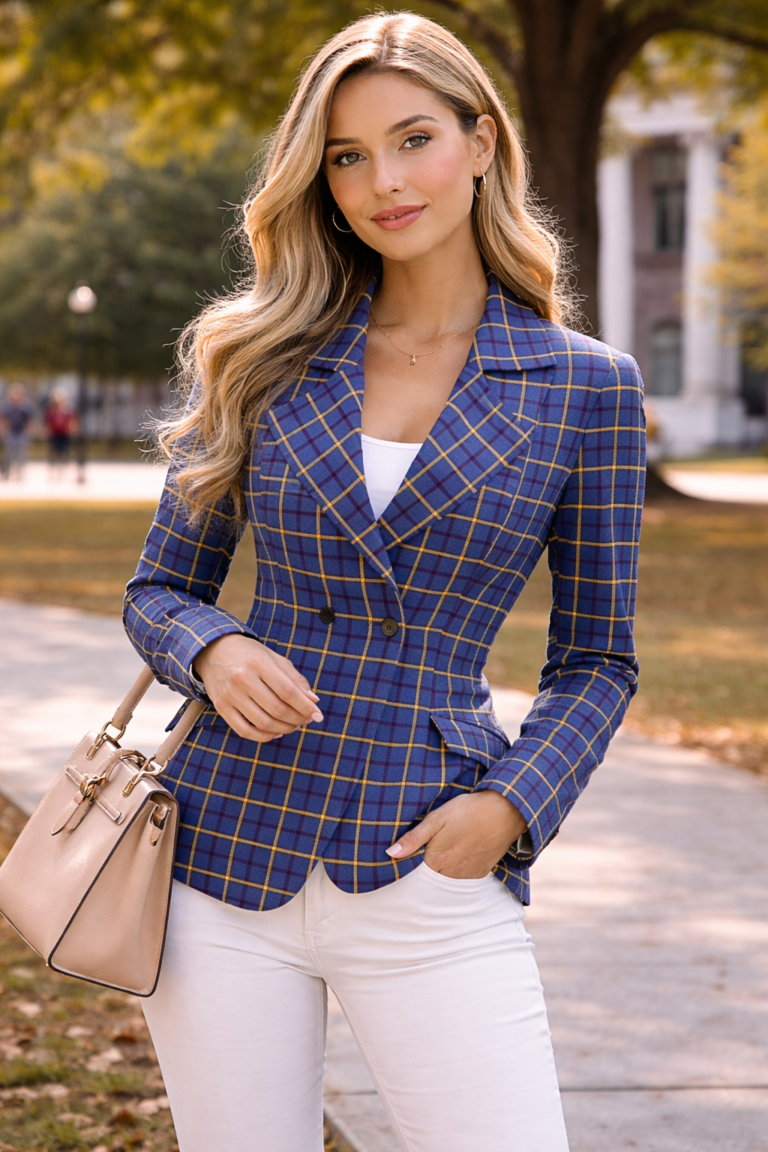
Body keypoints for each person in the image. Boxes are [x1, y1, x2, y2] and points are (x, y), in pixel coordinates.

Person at [125, 13, 645, 1152]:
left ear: (481, 140)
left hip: (427, 857)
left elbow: (599, 658)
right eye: (347, 156)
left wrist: (513, 806)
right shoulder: (259, 355)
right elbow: (158, 590)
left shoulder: (583, 387)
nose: (383, 182)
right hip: (223, 862)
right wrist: (211, 648)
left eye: (412, 140)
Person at [0, 383, 35, 481]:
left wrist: (29, 430)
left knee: (21, 453)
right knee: (9, 453)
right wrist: (3, 429)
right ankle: (7, 472)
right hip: (10, 431)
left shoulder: (26, 406)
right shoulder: (7, 405)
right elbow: (3, 418)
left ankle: (20, 472)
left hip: (21, 431)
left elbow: (29, 420)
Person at [44, 388, 78, 479]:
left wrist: (73, 429)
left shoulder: (69, 408)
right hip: (54, 434)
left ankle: (62, 471)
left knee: (63, 452)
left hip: (64, 433)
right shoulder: (50, 409)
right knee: (53, 452)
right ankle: (52, 471)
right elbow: (47, 421)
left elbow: (73, 420)